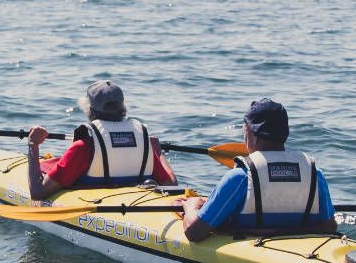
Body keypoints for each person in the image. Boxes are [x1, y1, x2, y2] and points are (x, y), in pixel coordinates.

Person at [179, 98, 336, 240]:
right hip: (303, 251)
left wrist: (191, 206)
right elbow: (329, 226)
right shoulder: (315, 174)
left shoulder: (240, 178)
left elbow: (195, 232)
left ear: (252, 134)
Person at [27, 80, 178, 200]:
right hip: (136, 201)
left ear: (90, 110)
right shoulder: (144, 142)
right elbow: (171, 185)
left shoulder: (83, 146)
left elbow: (38, 192)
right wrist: (157, 152)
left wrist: (33, 145)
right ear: (124, 108)